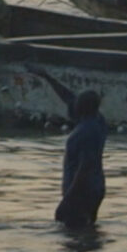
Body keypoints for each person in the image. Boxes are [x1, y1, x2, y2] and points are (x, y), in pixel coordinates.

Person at [55, 90, 108, 229]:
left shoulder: (85, 132)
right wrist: (49, 79)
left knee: (74, 232)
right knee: (87, 231)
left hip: (82, 190)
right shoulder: (98, 122)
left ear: (82, 107)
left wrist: (68, 199)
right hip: (95, 187)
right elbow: (68, 97)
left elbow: (85, 166)